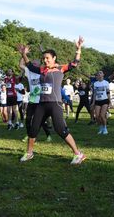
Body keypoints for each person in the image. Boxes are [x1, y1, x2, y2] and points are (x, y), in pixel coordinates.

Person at [18, 36, 86, 165]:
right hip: (42, 104)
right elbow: (29, 66)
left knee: (60, 129)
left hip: (55, 104)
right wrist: (23, 54)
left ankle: (78, 154)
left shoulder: (60, 68)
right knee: (33, 128)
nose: (45, 60)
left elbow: (75, 63)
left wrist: (79, 49)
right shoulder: (42, 69)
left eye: (47, 58)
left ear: (54, 58)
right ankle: (29, 153)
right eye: (44, 58)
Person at [19, 58, 52, 143]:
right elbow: (21, 65)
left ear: (39, 65)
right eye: (32, 63)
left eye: (35, 64)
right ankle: (29, 135)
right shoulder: (29, 72)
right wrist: (23, 55)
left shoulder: (42, 72)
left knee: (40, 121)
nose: (32, 65)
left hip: (40, 101)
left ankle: (48, 135)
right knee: (28, 119)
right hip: (32, 100)